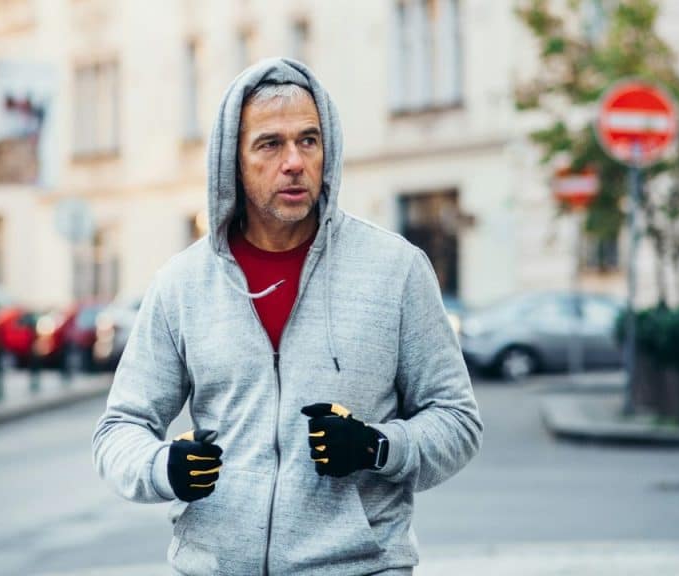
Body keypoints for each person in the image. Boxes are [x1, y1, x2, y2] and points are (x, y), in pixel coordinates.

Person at [93, 58, 482, 575]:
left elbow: (457, 420)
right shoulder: (183, 283)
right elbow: (120, 427)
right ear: (234, 160)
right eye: (270, 144)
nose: (294, 161)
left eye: (308, 140)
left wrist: (376, 446)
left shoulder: (396, 269)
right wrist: (162, 467)